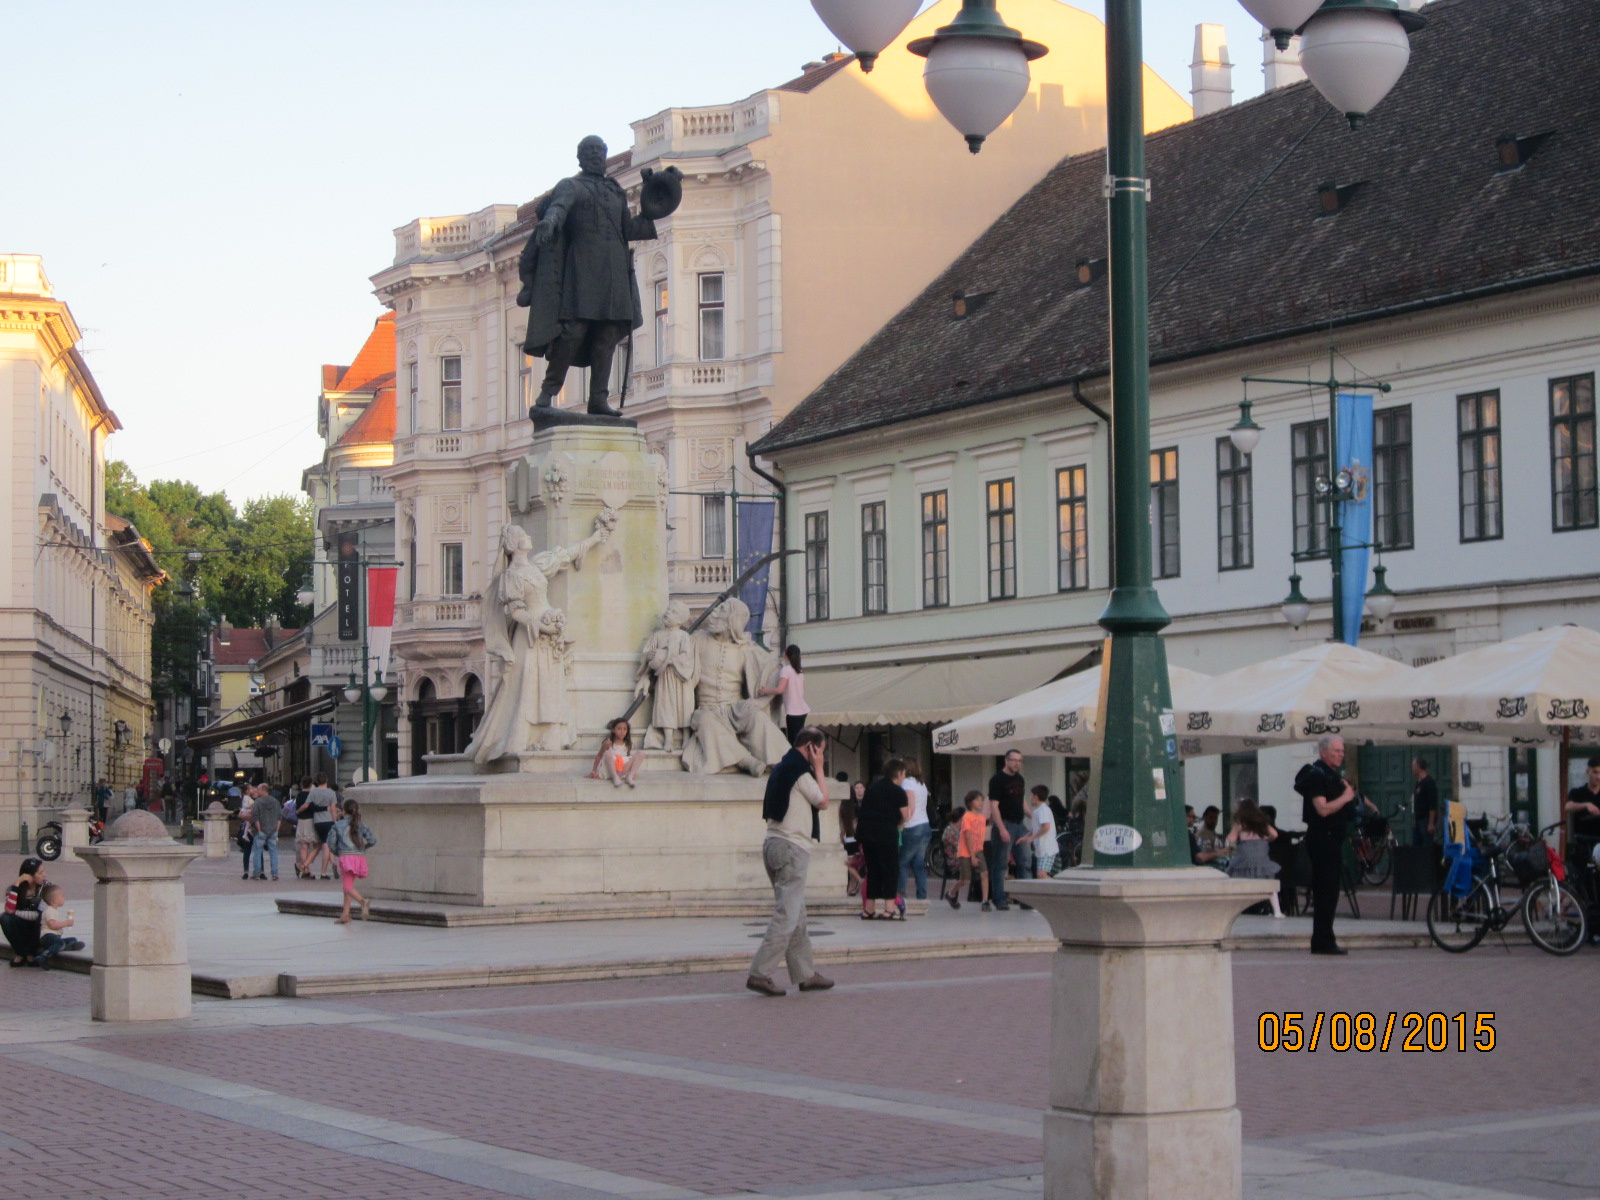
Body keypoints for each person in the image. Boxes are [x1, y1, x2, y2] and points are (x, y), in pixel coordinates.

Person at [517, 134, 681, 416]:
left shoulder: (614, 191)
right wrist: (550, 222)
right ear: (580, 158)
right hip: (583, 270)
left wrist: (652, 212)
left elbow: (627, 230)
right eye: (590, 151)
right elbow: (559, 208)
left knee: (607, 336)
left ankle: (598, 400)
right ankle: (547, 392)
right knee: (573, 332)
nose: (595, 156)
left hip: (615, 271)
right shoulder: (572, 186)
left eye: (599, 151)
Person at [468, 516, 613, 761]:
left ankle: (549, 737)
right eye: (524, 535)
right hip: (531, 637)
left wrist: (595, 538)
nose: (530, 537)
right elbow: (515, 611)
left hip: (547, 634)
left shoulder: (536, 566)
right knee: (529, 686)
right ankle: (524, 737)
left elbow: (566, 555)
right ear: (515, 544)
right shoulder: (511, 576)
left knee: (548, 686)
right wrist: (543, 626)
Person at [746, 726, 833, 997]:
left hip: (772, 844)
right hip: (792, 846)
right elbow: (823, 801)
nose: (821, 756)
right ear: (811, 747)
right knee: (787, 915)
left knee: (797, 915)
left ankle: (805, 974)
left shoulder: (781, 767)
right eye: (821, 751)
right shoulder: (799, 771)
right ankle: (760, 973)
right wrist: (819, 769)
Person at [1295, 733, 1360, 955]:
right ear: (1324, 752)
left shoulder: (1332, 776)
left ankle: (1324, 938)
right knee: (1325, 891)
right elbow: (1322, 809)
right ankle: (1323, 941)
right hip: (1322, 838)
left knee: (1330, 891)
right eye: (1337, 751)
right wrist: (1346, 797)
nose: (1342, 754)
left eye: (1343, 750)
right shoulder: (1316, 775)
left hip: (1333, 838)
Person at [634, 600, 698, 752]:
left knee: (684, 707)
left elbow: (687, 657)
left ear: (680, 620)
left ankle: (686, 736)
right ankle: (668, 738)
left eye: (673, 612)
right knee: (665, 706)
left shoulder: (683, 636)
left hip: (680, 677)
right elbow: (646, 654)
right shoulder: (657, 636)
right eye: (668, 610)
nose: (668, 613)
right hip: (664, 676)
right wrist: (649, 657)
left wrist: (667, 657)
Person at [857, 759, 911, 920]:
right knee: (890, 870)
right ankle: (889, 909)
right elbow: (905, 815)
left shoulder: (872, 788)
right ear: (899, 774)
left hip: (867, 833)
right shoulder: (898, 792)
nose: (904, 778)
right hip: (886, 833)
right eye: (904, 775)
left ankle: (869, 909)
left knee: (873, 871)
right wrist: (899, 825)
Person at [985, 749, 1028, 911]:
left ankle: (1026, 899)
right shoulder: (997, 780)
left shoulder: (1020, 779)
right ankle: (999, 898)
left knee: (1025, 862)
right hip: (1005, 823)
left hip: (1020, 824)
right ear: (1006, 760)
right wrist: (1002, 829)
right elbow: (994, 806)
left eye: (1020, 760)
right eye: (1014, 760)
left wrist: (1032, 815)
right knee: (1001, 864)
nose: (1017, 763)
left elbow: (1022, 800)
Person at [1226, 800, 1284, 918]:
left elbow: (1230, 840)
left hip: (1245, 857)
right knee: (1270, 885)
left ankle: (1235, 910)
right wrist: (1266, 840)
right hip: (1261, 856)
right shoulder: (1262, 823)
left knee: (1238, 881)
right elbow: (1275, 834)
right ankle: (1277, 911)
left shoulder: (1240, 824)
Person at [327, 799, 377, 924]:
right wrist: (363, 848)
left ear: (343, 811)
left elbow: (330, 842)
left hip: (346, 857)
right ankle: (345, 914)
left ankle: (362, 901)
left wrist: (337, 852)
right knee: (348, 884)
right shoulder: (361, 824)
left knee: (347, 886)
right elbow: (372, 840)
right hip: (359, 857)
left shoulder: (338, 825)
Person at [896, 760, 932, 907]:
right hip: (925, 825)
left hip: (912, 826)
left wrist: (903, 822)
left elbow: (909, 805)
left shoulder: (907, 783)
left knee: (902, 862)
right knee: (918, 864)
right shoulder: (921, 783)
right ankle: (922, 896)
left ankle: (901, 894)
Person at [948, 791, 991, 910]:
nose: (980, 802)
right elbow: (968, 836)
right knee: (965, 879)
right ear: (970, 802)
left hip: (979, 850)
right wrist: (972, 856)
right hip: (966, 852)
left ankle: (985, 900)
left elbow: (982, 834)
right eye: (977, 800)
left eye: (981, 800)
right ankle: (951, 893)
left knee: (984, 873)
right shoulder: (967, 817)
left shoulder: (982, 818)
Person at [761, 645, 811, 745]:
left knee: (794, 743)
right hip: (802, 710)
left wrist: (765, 691)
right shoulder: (799, 671)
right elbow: (802, 689)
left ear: (786, 655)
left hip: (793, 712)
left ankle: (796, 760)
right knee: (798, 741)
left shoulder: (786, 670)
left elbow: (780, 690)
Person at [3, 857, 46, 967]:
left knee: (39, 917)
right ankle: (21, 954)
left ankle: (31, 954)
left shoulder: (45, 888)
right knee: (5, 918)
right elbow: (9, 910)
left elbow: (40, 915)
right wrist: (17, 883)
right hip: (21, 927)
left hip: (37, 929)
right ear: (29, 875)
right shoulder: (14, 888)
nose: (44, 875)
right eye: (40, 873)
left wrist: (17, 913)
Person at [35, 884, 84, 970]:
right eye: (62, 896)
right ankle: (44, 956)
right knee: (59, 943)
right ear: (54, 900)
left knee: (73, 940)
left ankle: (61, 946)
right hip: (47, 936)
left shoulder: (53, 910)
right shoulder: (49, 910)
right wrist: (66, 923)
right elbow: (52, 925)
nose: (64, 897)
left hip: (54, 937)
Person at [1563, 754, 1600, 864]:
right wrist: (1586, 805)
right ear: (1588, 771)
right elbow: (1567, 806)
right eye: (1595, 772)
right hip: (1582, 843)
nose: (1598, 777)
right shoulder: (1578, 792)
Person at [303, 773, 340, 880]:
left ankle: (330, 863)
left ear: (317, 781)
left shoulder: (313, 792)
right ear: (327, 780)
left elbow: (308, 804)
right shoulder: (331, 793)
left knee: (323, 844)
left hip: (317, 821)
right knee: (326, 846)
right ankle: (323, 872)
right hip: (328, 820)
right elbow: (333, 809)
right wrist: (335, 821)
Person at [589, 718, 644, 788]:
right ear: (613, 730)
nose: (622, 731)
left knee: (641, 753)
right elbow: (599, 756)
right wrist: (593, 771)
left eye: (625, 729)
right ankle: (615, 777)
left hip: (622, 769)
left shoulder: (628, 744)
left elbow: (627, 757)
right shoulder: (608, 743)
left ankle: (629, 777)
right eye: (619, 729)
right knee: (608, 753)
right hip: (611, 769)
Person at [1020, 785, 1060, 878]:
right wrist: (1026, 837)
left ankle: (1058, 889)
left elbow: (1046, 827)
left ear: (1036, 797)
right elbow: (1036, 828)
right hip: (1041, 849)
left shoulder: (1043, 810)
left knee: (1041, 874)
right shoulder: (1037, 811)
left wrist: (1032, 838)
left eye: (1031, 796)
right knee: (1040, 875)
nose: (1030, 798)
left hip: (1047, 848)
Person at [249, 784, 284, 882]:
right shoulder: (275, 801)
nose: (257, 791)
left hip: (261, 830)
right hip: (273, 830)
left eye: (258, 789)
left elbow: (255, 817)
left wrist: (259, 830)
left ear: (263, 790)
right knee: (273, 852)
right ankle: (275, 874)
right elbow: (279, 817)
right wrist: (277, 830)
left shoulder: (258, 802)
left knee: (257, 852)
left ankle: (256, 873)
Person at [839, 781, 865, 899]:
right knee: (855, 863)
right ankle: (852, 886)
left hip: (848, 839)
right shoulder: (858, 808)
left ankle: (858, 881)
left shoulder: (843, 809)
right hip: (858, 838)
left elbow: (843, 827)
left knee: (848, 864)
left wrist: (840, 838)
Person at [292, 775, 320, 879]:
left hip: (301, 821)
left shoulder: (299, 795)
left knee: (304, 846)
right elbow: (307, 806)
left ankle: (306, 870)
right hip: (309, 820)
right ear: (311, 784)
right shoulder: (311, 795)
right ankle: (305, 866)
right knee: (317, 845)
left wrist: (297, 812)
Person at [1411, 758, 1439, 845]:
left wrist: (1431, 823)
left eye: (1413, 766)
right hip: (1418, 820)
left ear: (1417, 767)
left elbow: (1432, 804)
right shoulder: (1418, 783)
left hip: (1426, 820)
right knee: (1416, 847)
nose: (1412, 769)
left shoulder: (1429, 782)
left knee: (1427, 846)